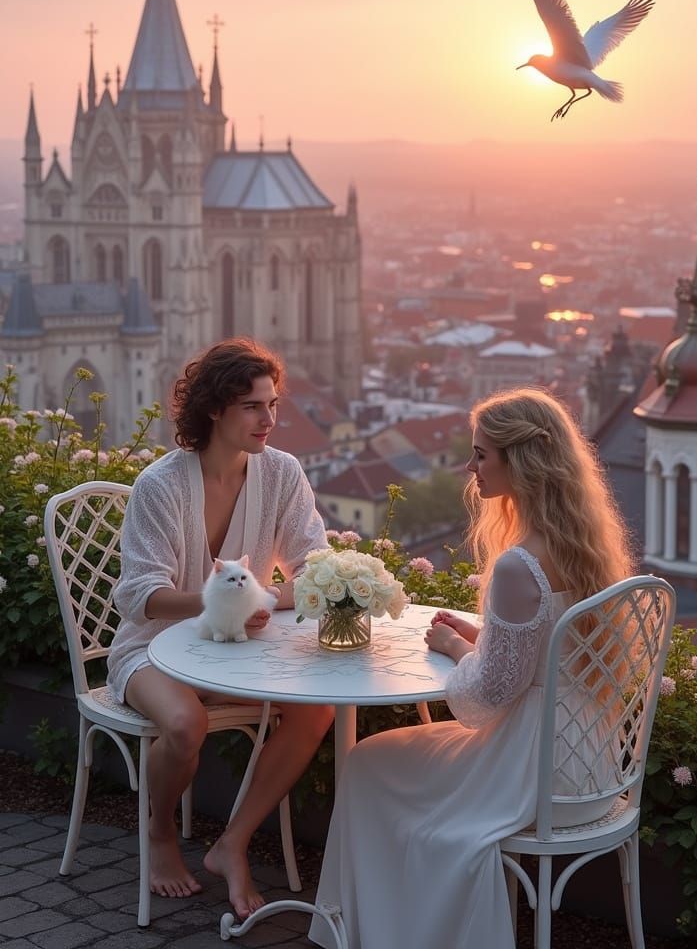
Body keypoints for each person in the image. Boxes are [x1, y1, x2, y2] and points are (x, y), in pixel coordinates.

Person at [309, 387, 634, 949]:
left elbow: (490, 695)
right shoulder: (585, 546)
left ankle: (365, 929)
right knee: (383, 764)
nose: (470, 467)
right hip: (592, 761)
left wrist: (455, 648)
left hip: (534, 771)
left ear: (521, 460)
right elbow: (549, 647)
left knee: (364, 760)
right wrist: (483, 636)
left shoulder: (520, 563)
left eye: (482, 454)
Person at [108, 338, 334, 919]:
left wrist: (265, 599)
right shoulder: (160, 485)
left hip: (237, 651)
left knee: (316, 709)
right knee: (187, 724)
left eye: (273, 404)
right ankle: (160, 832)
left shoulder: (282, 473)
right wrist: (219, 607)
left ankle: (232, 843)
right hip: (152, 651)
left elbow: (316, 569)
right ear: (213, 409)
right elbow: (139, 597)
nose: (269, 420)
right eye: (252, 406)